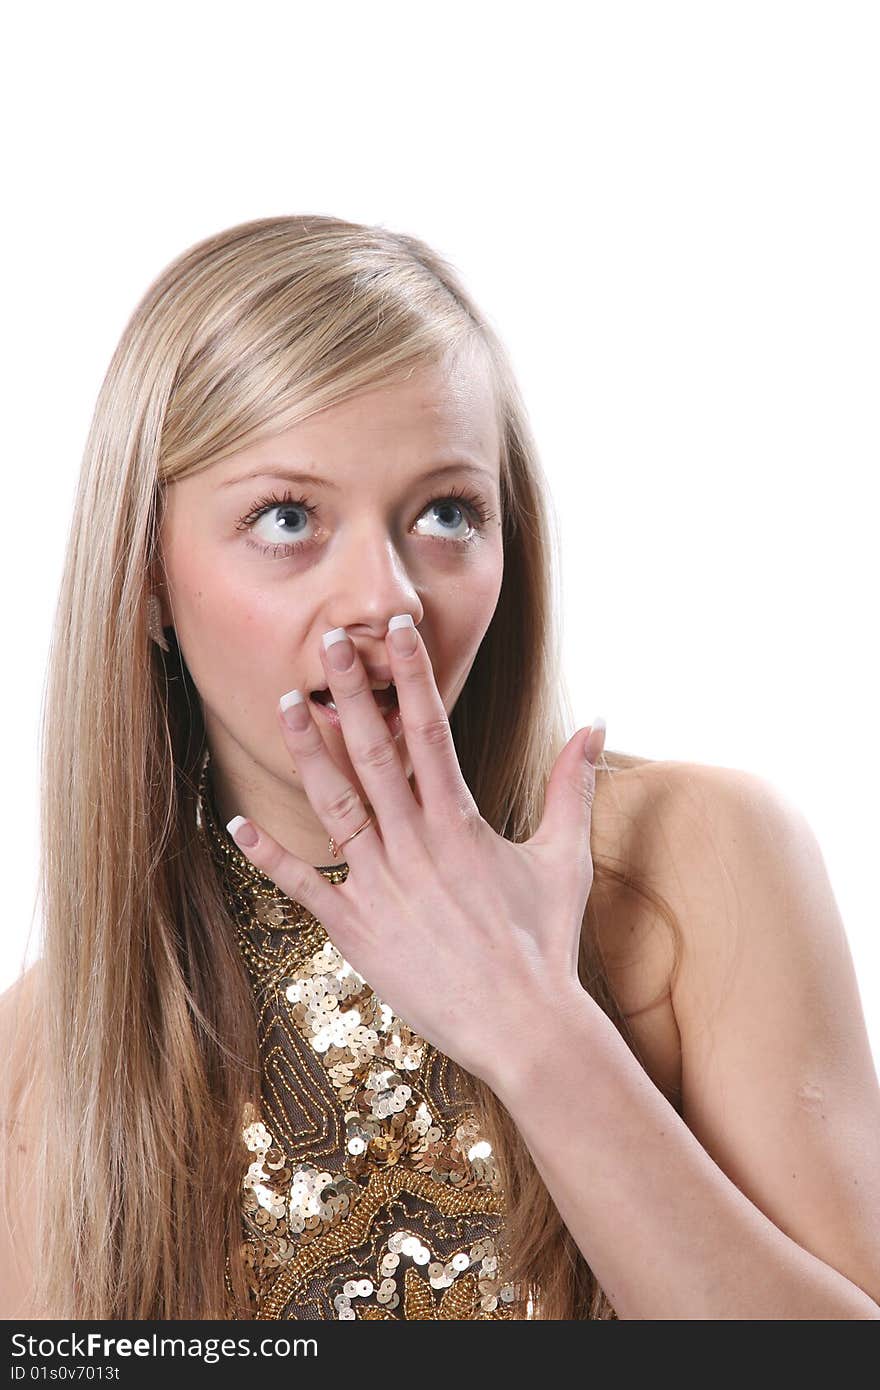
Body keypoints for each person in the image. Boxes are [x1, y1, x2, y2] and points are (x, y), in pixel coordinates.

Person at [2, 215, 879, 1322]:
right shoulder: (45, 1066)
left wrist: (536, 1030)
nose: (386, 598)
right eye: (287, 518)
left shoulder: (698, 859)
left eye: (444, 513)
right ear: (145, 582)